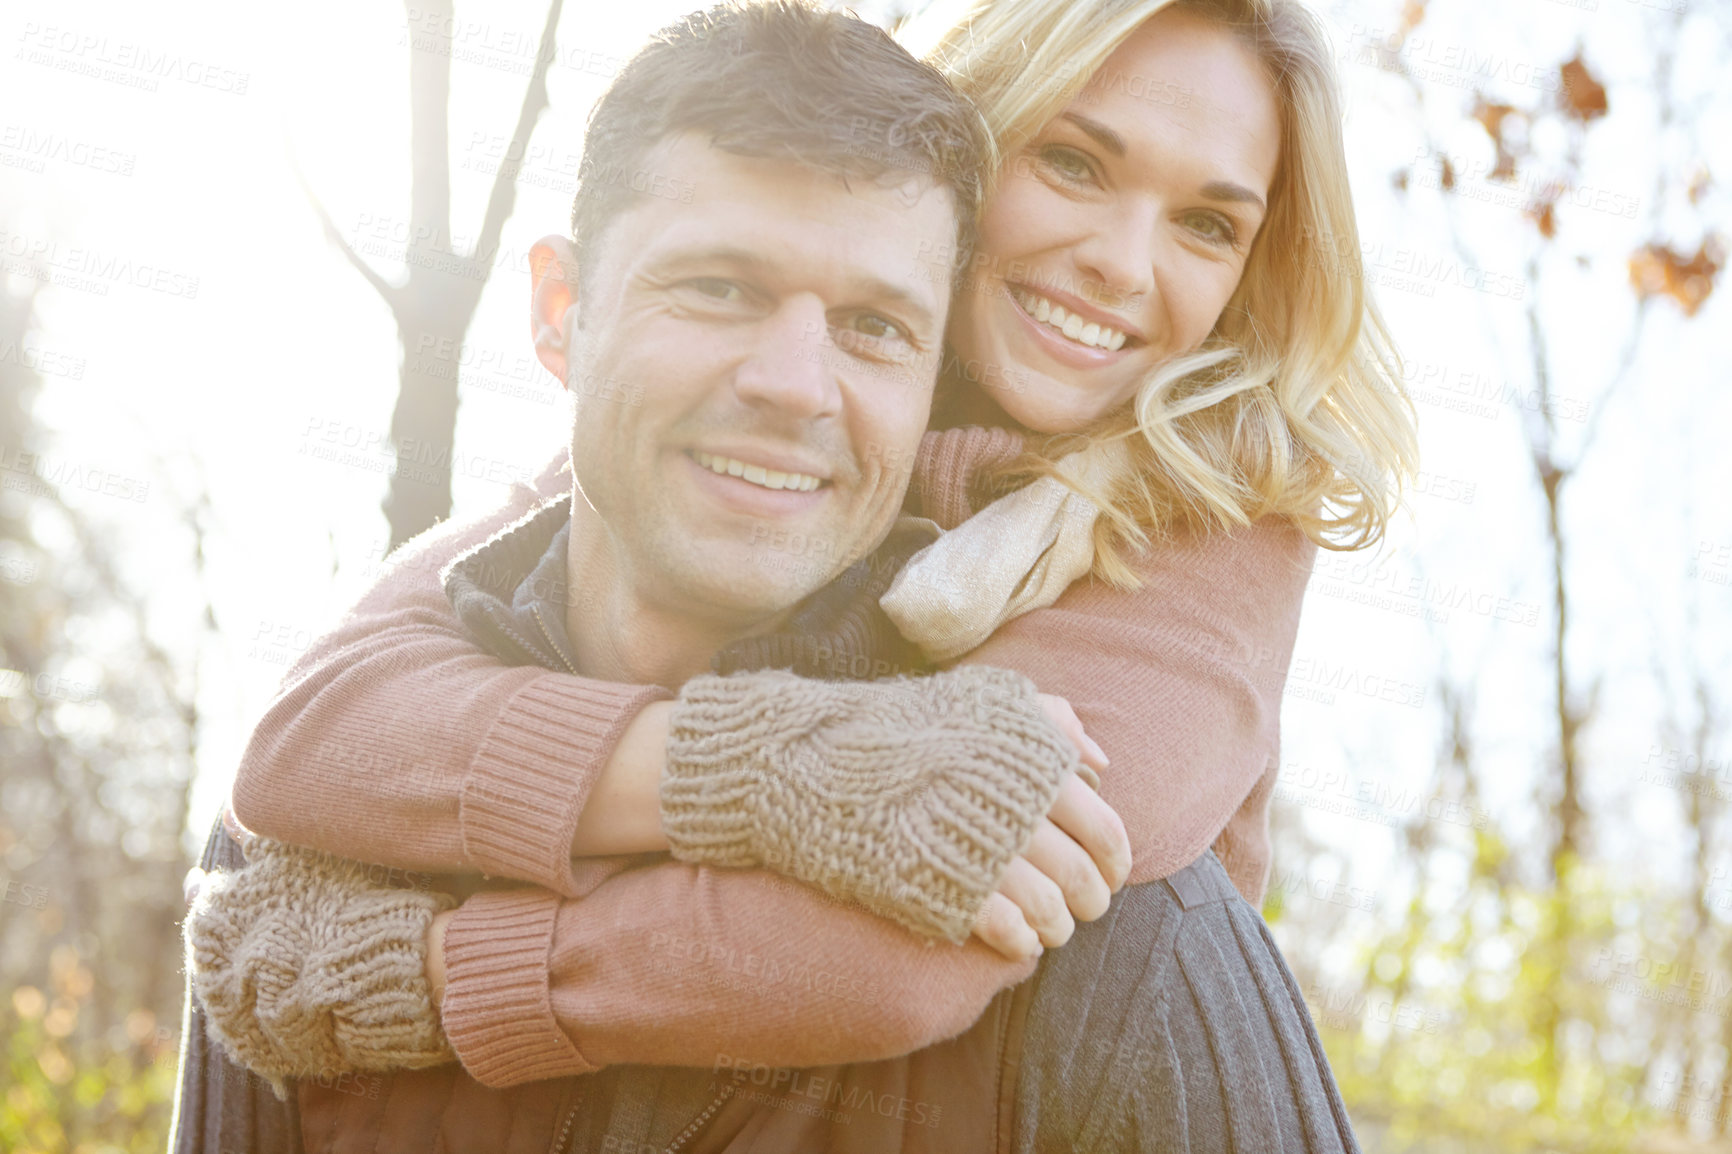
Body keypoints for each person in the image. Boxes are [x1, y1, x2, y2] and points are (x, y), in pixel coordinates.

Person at [176, 0, 1416, 1148]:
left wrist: (431, 977)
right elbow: (308, 734)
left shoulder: (1211, 529)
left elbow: (934, 929)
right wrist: (753, 767)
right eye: (1075, 163)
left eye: (1208, 222)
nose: (1120, 261)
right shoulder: (740, 415)